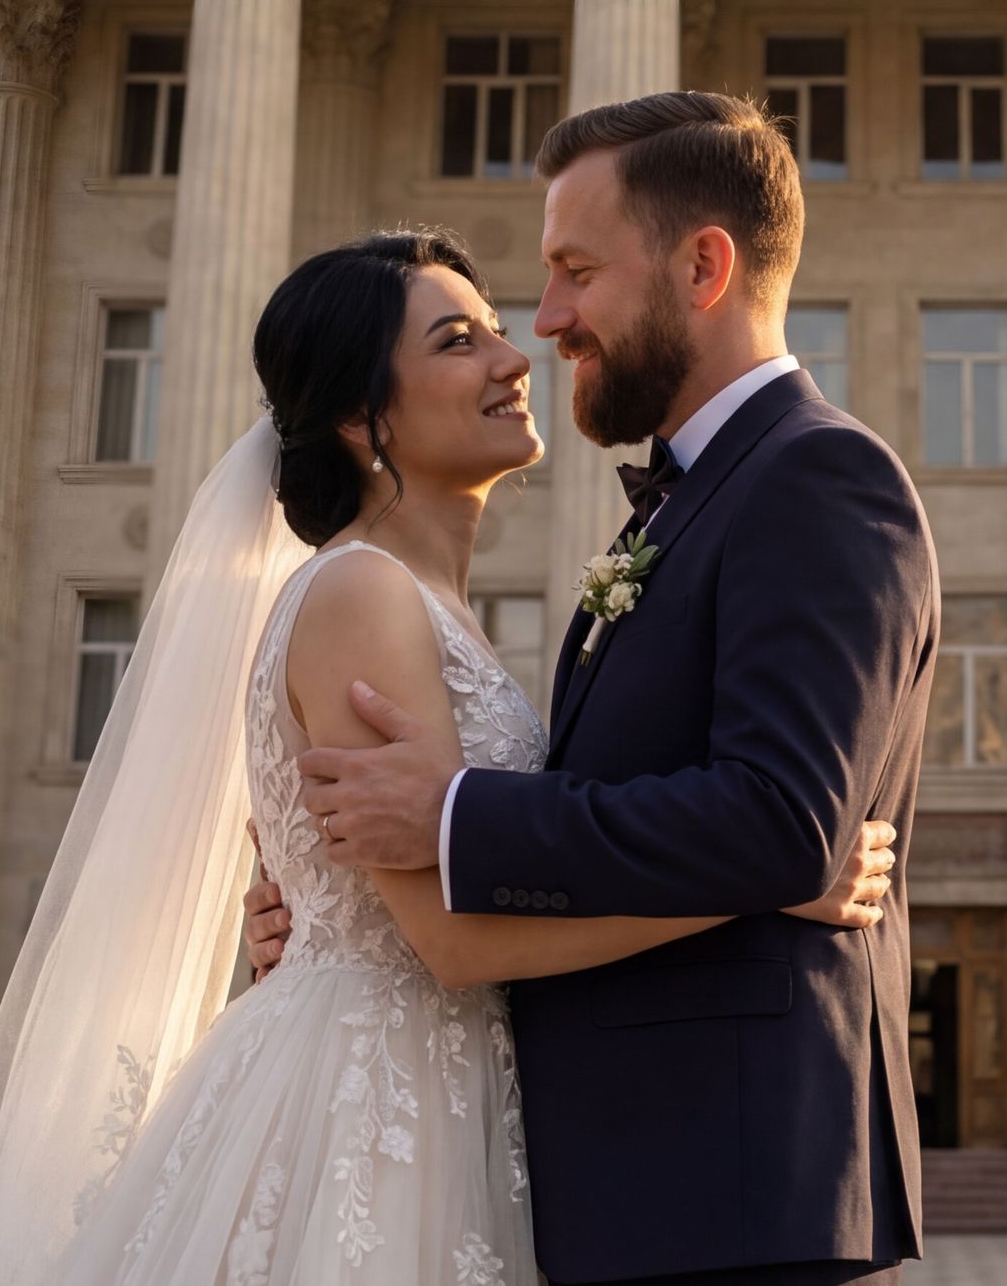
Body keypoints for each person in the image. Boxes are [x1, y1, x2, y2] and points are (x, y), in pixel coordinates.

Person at [0, 227, 897, 1285]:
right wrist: (768, 879)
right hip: (371, 1108)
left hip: (455, 1090)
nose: (516, 359)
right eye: (460, 341)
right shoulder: (362, 594)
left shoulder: (427, 606)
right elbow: (452, 945)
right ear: (361, 418)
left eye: (500, 332)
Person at [256, 92, 940, 1285]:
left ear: (703, 266)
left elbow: (782, 816)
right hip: (596, 1181)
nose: (545, 325)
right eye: (464, 337)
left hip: (728, 1194)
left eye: (574, 273)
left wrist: (460, 818)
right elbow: (768, 839)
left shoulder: (815, 477)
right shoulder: (668, 511)